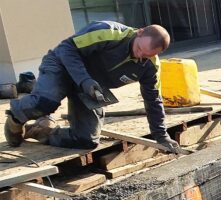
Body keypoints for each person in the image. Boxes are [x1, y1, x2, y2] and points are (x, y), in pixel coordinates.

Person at [4, 21, 181, 153]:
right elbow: (67, 49)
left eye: (146, 55)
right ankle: (15, 117)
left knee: (86, 140)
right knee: (45, 102)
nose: (139, 55)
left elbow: (153, 100)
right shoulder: (107, 32)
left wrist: (161, 136)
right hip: (62, 66)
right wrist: (84, 80)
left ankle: (43, 130)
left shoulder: (151, 66)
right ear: (140, 32)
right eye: (140, 49)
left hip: (91, 86)